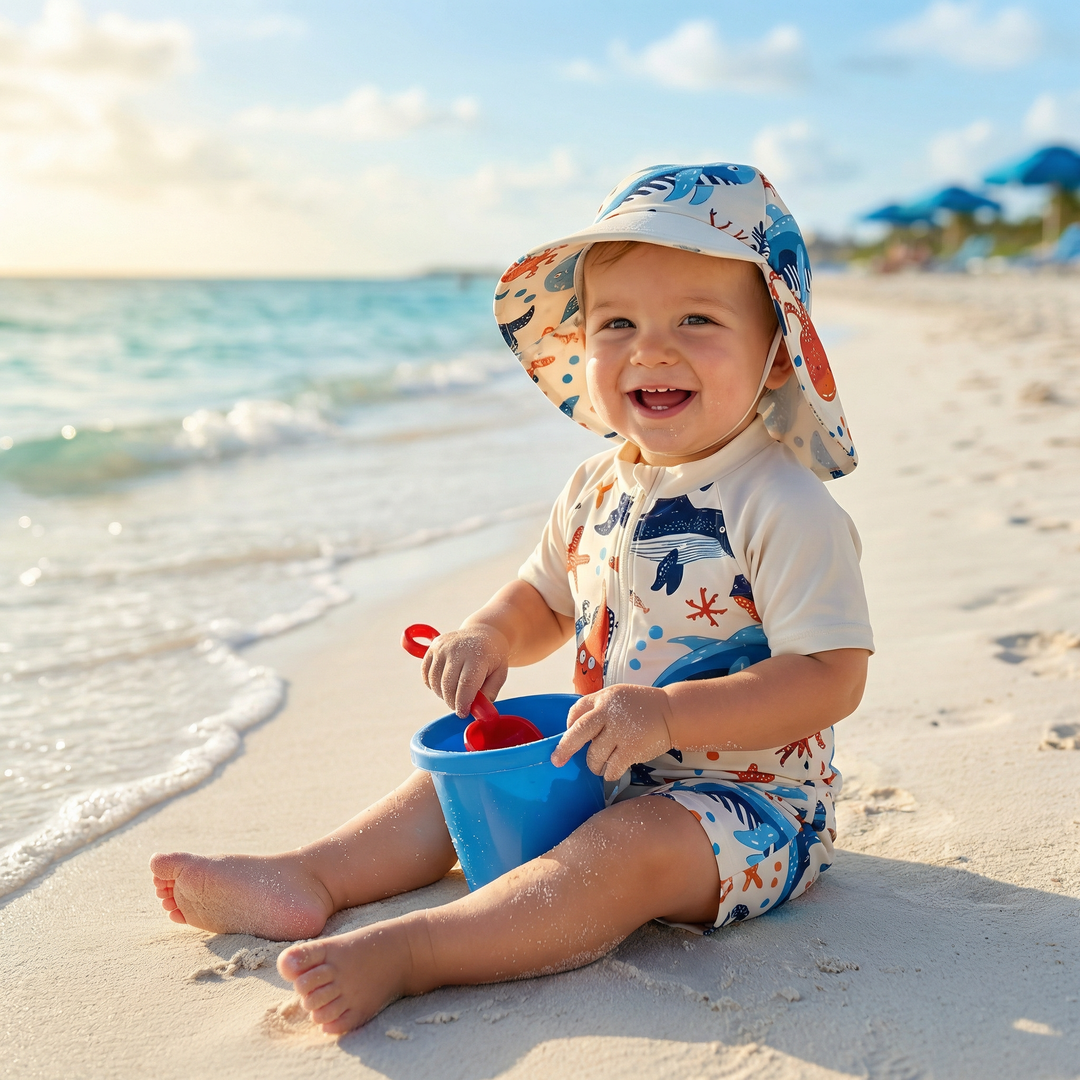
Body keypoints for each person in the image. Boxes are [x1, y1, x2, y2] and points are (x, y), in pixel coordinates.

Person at [150, 163, 874, 1036]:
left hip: (746, 808)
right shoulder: (596, 485)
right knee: (453, 780)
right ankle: (315, 875)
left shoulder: (784, 504)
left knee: (626, 849)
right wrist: (489, 635)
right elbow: (544, 596)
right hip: (602, 756)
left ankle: (421, 950)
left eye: (696, 319)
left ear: (773, 352)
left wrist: (669, 715)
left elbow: (830, 677)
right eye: (618, 323)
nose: (651, 348)